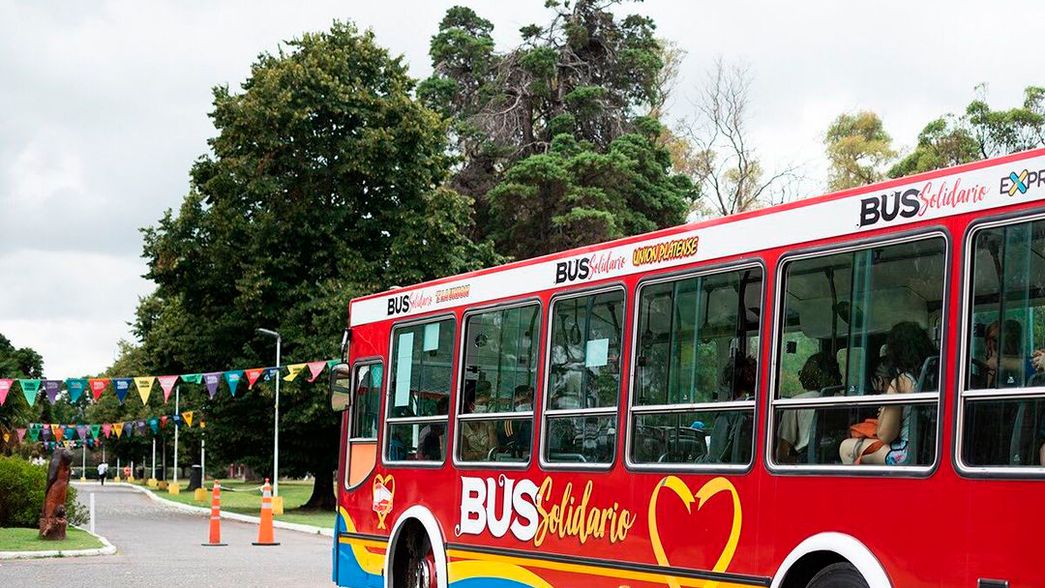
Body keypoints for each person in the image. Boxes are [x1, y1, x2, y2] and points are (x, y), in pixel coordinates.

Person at [840, 322, 935, 465]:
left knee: (846, 447)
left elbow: (886, 435)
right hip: (931, 450)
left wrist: (884, 409)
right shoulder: (934, 377)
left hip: (906, 453)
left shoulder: (901, 382)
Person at [777, 352, 841, 462]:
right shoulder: (844, 399)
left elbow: (783, 452)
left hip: (808, 460)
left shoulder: (797, 402)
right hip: (839, 457)